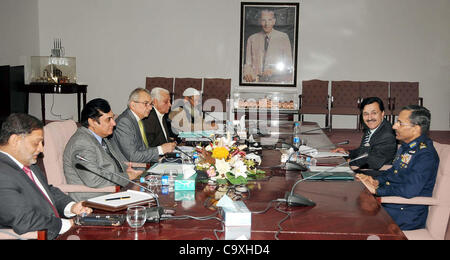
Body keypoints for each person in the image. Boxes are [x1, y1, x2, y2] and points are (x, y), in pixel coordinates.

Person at [0, 113, 92, 240]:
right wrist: (66, 224)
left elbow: (47, 190)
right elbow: (24, 221)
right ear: (15, 141)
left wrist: (71, 207)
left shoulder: (28, 163)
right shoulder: (2, 174)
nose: (41, 149)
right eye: (36, 143)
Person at [356, 105, 439, 230]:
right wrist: (376, 181)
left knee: (353, 220)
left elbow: (410, 190)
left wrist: (377, 190)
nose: (394, 126)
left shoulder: (425, 154)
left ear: (415, 129)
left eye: (400, 123)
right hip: (393, 204)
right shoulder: (408, 146)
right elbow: (393, 172)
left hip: (405, 213)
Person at [63, 98, 142, 202]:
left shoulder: (101, 137)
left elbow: (112, 164)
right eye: (108, 119)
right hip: (94, 199)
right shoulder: (82, 143)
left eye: (112, 118)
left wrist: (126, 170)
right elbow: (94, 179)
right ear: (92, 122)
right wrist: (127, 176)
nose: (114, 123)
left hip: (114, 191)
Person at [332, 97, 397, 172]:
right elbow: (364, 150)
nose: (370, 118)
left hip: (374, 176)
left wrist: (349, 162)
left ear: (382, 113)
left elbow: (374, 163)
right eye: (366, 114)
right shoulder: (374, 127)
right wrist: (348, 153)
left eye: (374, 113)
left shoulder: (387, 135)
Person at [112, 88, 176, 163]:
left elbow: (143, 149)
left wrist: (158, 158)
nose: (150, 108)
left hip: (142, 164)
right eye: (146, 104)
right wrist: (160, 149)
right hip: (131, 169)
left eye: (151, 104)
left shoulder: (139, 120)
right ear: (133, 105)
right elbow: (133, 156)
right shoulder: (124, 122)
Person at [243, 9, 293, 83]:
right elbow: (248, 64)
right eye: (263, 20)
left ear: (274, 21)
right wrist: (247, 73)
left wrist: (273, 71)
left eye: (269, 20)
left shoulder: (283, 37)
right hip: (256, 82)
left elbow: (289, 65)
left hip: (277, 82)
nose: (266, 24)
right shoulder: (252, 38)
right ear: (260, 21)